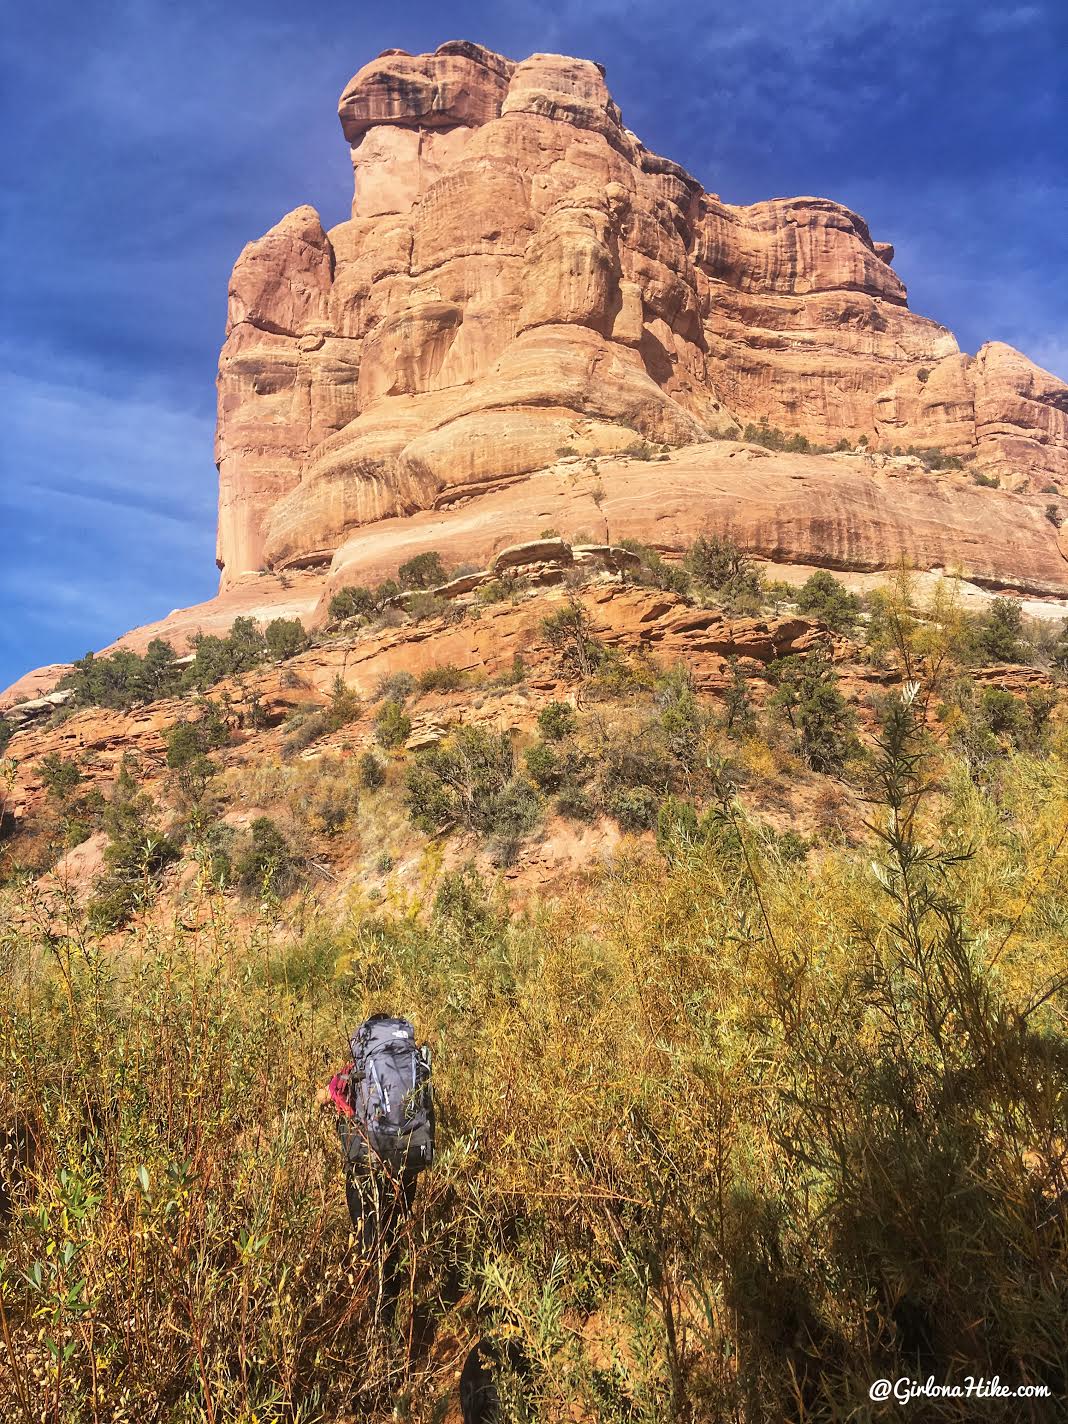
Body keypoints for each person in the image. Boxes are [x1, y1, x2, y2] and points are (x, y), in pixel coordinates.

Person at [317, 1013, 433, 1325]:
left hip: (367, 1164)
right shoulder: (415, 1066)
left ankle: (368, 1320)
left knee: (368, 1241)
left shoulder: (355, 1071)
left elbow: (323, 1098)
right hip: (406, 1157)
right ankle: (387, 1319)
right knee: (392, 1238)